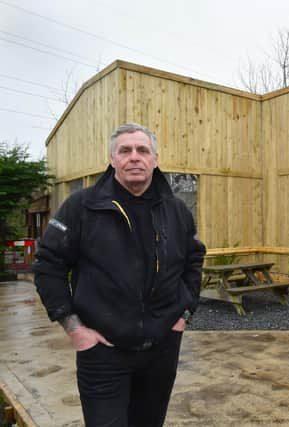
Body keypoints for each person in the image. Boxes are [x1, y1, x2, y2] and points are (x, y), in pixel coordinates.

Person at [33, 123, 206, 426]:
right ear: (113, 160)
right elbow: (49, 265)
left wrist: (184, 314)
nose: (134, 157)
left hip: (161, 352)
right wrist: (74, 328)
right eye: (125, 151)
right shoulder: (82, 207)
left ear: (155, 159)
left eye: (143, 150)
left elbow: (193, 260)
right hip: (102, 353)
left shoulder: (176, 211)